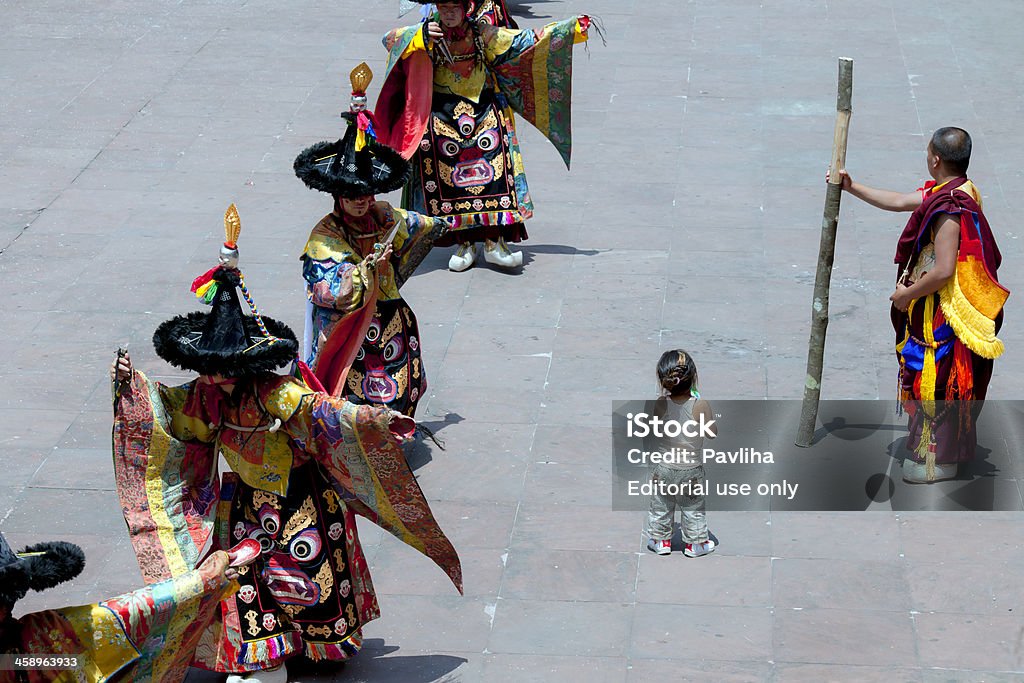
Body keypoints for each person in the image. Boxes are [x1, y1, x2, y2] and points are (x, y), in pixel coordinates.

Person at [110, 206, 461, 682]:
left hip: (302, 494)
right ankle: (260, 656)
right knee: (244, 579)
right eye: (204, 366)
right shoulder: (202, 397)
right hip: (244, 498)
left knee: (308, 571)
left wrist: (374, 417)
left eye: (218, 367)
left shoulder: (278, 393)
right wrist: (134, 387)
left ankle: (316, 646)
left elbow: (325, 412)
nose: (209, 375)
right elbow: (170, 416)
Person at [831, 127, 1008, 483]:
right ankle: (935, 453)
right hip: (931, 304)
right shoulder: (954, 190)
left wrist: (906, 295)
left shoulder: (950, 211)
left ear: (935, 159)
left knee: (936, 379)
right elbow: (898, 201)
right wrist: (853, 187)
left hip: (943, 314)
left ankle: (939, 462)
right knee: (928, 379)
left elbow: (943, 270)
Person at [374, 0, 592, 271]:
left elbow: (523, 40)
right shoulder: (425, 34)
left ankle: (494, 240)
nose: (449, 14)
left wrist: (570, 30)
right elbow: (389, 39)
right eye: (444, 8)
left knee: (496, 174)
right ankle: (463, 242)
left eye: (454, 8)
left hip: (483, 111)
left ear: (466, 9)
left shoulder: (483, 33)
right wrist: (418, 36)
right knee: (449, 181)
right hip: (442, 115)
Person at [294, 63, 449, 417]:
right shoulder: (325, 236)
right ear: (338, 196)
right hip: (347, 328)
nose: (361, 201)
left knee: (402, 376)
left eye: (367, 194)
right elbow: (328, 290)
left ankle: (391, 434)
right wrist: (367, 270)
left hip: (390, 312)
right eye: (352, 196)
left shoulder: (383, 216)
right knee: (350, 390)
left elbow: (421, 226)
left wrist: (442, 222)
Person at [0, 530, 259, 683]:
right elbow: (133, 613)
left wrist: (203, 582)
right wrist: (205, 581)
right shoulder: (43, 641)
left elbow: (129, 613)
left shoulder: (39, 643)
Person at [645, 350, 717, 557]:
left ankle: (661, 542)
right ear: (693, 378)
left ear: (664, 380)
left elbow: (654, 429)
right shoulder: (700, 405)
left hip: (663, 468)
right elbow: (712, 433)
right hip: (690, 471)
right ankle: (694, 545)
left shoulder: (660, 403)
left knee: (661, 505)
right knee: (693, 507)